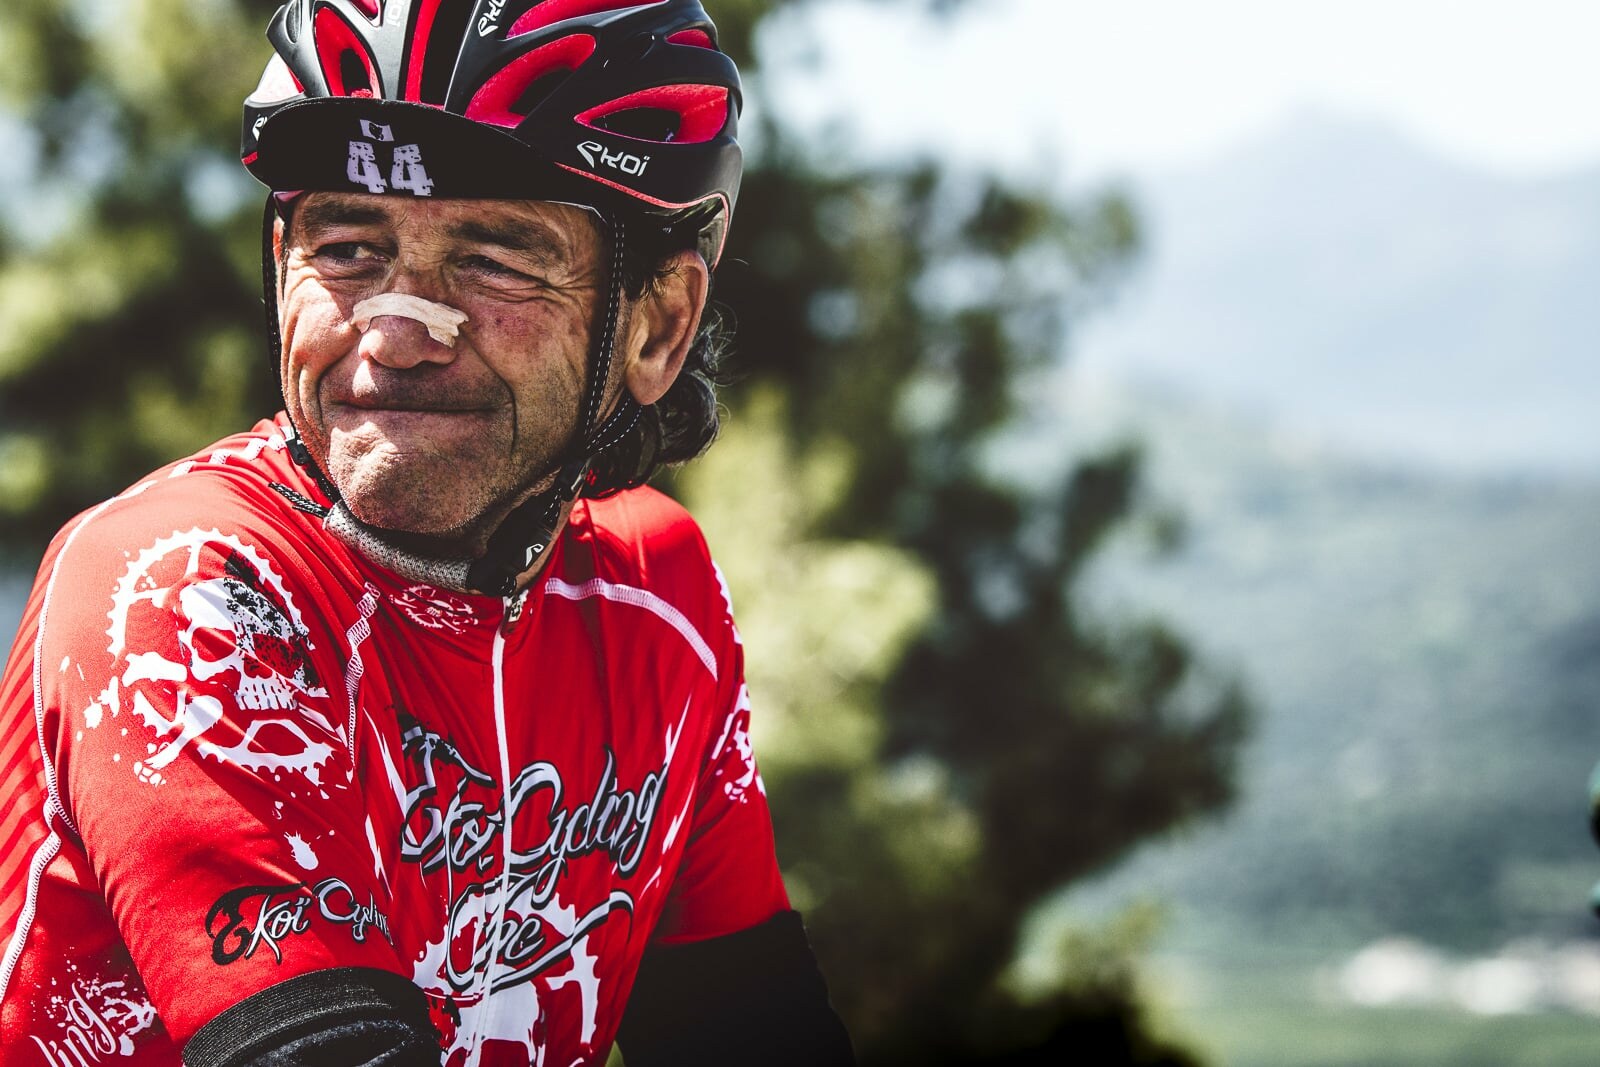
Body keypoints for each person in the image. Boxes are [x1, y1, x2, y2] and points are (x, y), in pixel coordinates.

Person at [0, 2, 855, 1064]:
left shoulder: (653, 597)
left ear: (658, 325)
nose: (398, 333)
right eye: (348, 248)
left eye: (494, 259)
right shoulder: (175, 587)